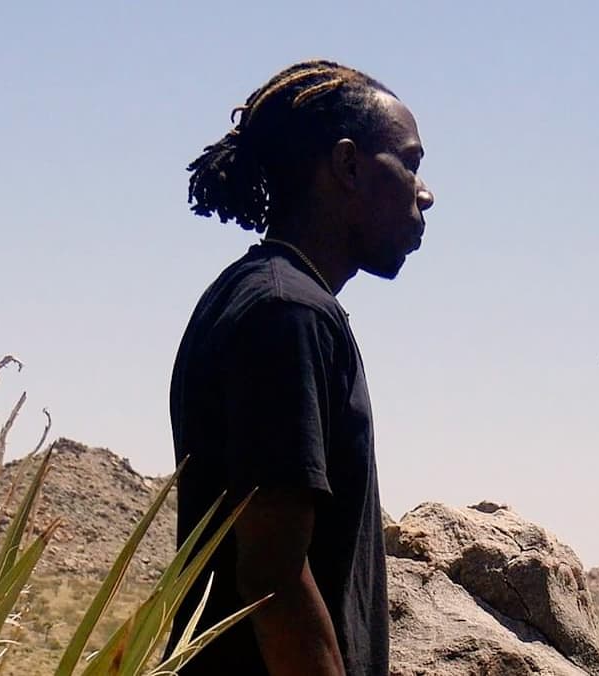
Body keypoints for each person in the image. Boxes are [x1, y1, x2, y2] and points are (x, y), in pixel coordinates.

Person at [168, 59, 434, 675]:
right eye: (410, 163)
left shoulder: (267, 297)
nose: (425, 192)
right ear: (348, 166)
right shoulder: (286, 314)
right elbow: (273, 575)